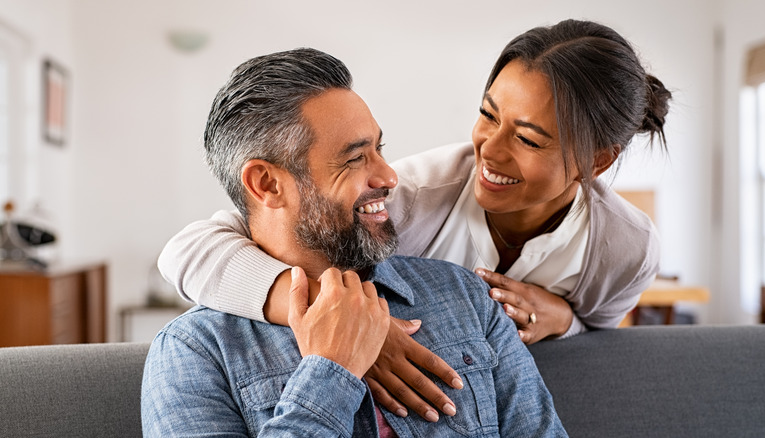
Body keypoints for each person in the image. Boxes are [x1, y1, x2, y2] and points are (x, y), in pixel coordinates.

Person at [158, 19, 670, 419]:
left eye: (529, 138)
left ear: (597, 161)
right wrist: (344, 321)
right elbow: (191, 249)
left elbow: (600, 334)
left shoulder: (627, 248)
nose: (488, 151)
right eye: (488, 114)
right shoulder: (410, 196)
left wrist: (565, 320)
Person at [141, 47, 567, 437]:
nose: (388, 177)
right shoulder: (195, 352)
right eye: (355, 158)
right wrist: (331, 371)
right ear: (267, 184)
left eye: (380, 149)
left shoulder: (466, 297)